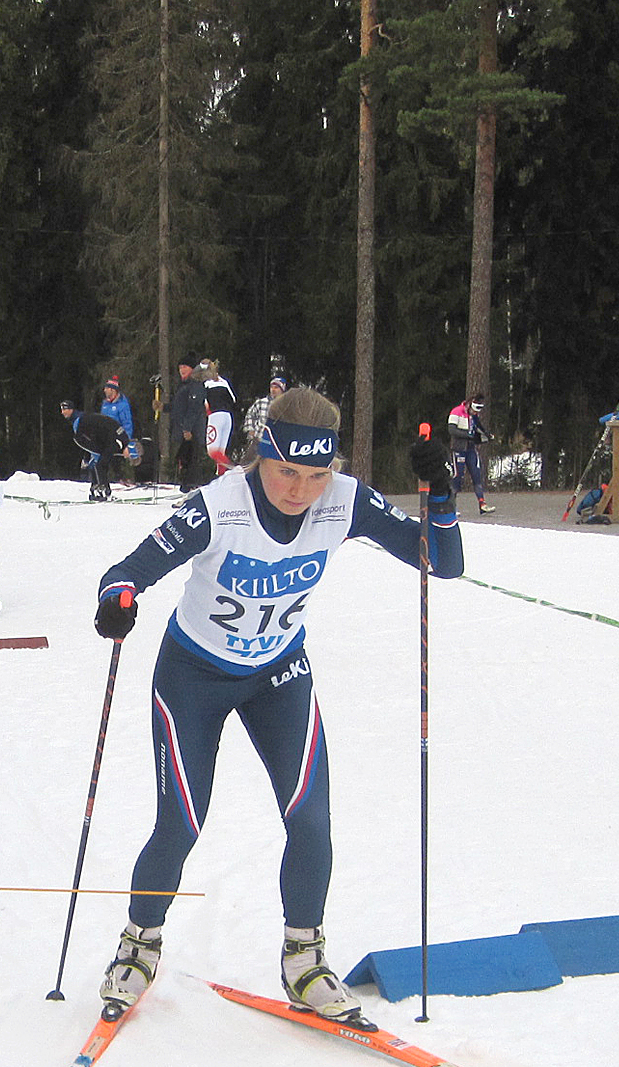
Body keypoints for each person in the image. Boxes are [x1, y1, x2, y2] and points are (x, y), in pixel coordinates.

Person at [89, 386, 463, 1028]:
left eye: (317, 475)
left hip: (279, 674)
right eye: (287, 471)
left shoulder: (343, 502)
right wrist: (119, 598)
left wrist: (443, 496)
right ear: (260, 457)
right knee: (180, 823)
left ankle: (304, 960)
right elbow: (129, 569)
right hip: (193, 676)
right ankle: (138, 942)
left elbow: (442, 563)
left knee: (311, 821)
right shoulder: (218, 507)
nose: (300, 490)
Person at [62, 400, 133, 501]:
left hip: (112, 440)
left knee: (100, 464)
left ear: (71, 409)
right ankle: (96, 490)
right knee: (96, 464)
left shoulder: (79, 421)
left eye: (65, 409)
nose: (63, 412)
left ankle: (104, 492)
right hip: (106, 441)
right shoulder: (80, 419)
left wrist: (92, 453)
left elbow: (86, 440)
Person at [446, 399, 494, 514]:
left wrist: (486, 435)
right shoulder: (456, 411)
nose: (477, 412)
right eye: (476, 409)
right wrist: (467, 435)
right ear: (470, 405)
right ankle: (451, 505)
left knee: (477, 475)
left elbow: (479, 427)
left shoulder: (474, 416)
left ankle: (482, 504)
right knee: (457, 476)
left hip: (470, 449)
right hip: (459, 449)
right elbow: (451, 430)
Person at [169, 360, 208, 487]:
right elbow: (178, 406)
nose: (182, 370)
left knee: (192, 460)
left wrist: (187, 428)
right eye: (180, 367)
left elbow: (194, 408)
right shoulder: (183, 385)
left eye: (185, 366)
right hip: (184, 430)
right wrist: (163, 407)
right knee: (184, 460)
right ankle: (187, 487)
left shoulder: (195, 384)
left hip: (193, 431)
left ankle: (192, 487)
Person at [200, 360, 239, 472]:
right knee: (221, 453)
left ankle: (233, 469)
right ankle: (221, 475)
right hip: (228, 417)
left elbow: (203, 403)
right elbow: (234, 399)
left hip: (215, 416)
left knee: (212, 451)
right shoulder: (224, 382)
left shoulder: (205, 385)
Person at [100, 378, 141, 483]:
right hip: (106, 437)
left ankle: (124, 479)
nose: (104, 390)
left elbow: (127, 424)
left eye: (107, 388)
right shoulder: (105, 404)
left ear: (113, 390)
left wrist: (126, 442)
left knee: (119, 459)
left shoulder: (122, 405)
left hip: (118, 437)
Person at [242, 371, 287, 459]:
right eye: (272, 387)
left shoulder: (285, 406)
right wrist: (251, 430)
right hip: (258, 439)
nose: (273, 390)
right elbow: (250, 415)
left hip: (276, 442)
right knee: (249, 462)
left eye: (276, 388)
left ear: (282, 390)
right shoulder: (261, 402)